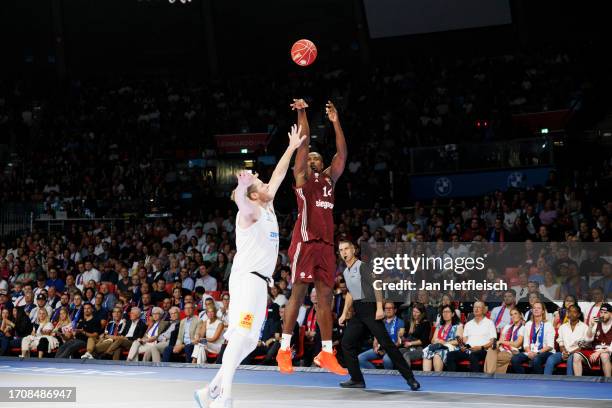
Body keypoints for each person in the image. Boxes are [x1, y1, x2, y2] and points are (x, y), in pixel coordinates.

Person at [194, 123, 305, 408]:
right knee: (242, 334)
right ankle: (225, 397)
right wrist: (242, 189)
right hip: (246, 281)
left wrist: (291, 148)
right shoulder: (251, 212)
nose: (267, 183)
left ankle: (211, 390)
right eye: (260, 183)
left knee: (250, 341)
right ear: (255, 194)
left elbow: (280, 173)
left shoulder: (265, 205)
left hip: (260, 283)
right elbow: (242, 206)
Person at [277, 100, 349, 377]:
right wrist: (302, 112)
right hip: (305, 243)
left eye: (316, 157)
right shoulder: (301, 178)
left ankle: (327, 352)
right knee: (299, 292)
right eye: (309, 158)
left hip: (326, 246)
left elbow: (342, 154)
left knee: (326, 298)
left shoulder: (329, 180)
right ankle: (285, 348)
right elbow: (303, 144)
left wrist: (335, 121)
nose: (312, 159)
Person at [337, 240, 420, 390]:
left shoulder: (362, 266)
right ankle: (357, 379)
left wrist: (379, 308)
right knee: (346, 343)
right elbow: (349, 294)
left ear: (353, 250)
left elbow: (377, 285)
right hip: (358, 311)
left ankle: (410, 378)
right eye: (341, 250)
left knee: (387, 345)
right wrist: (344, 314)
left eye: (346, 249)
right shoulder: (345, 272)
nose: (344, 252)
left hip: (370, 309)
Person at [446, 301, 497, 372]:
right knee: (451, 355)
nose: (476, 309)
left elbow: (493, 341)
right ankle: (453, 378)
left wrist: (481, 347)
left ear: (484, 309)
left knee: (473, 355)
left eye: (479, 307)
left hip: (483, 350)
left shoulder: (490, 323)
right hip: (469, 349)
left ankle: (475, 379)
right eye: (475, 307)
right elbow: (465, 340)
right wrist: (464, 347)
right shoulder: (468, 324)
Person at [357, 301, 405, 370]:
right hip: (380, 349)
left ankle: (388, 376)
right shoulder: (380, 322)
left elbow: (399, 342)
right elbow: (376, 338)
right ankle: (376, 373)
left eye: (390, 308)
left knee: (387, 360)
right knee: (360, 358)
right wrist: (376, 347)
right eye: (386, 308)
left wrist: (386, 349)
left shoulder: (400, 322)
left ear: (395, 310)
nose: (388, 310)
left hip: (393, 349)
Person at [510, 301, 554, 374]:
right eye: (534, 308)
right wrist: (530, 352)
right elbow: (526, 344)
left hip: (545, 352)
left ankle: (539, 380)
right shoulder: (528, 324)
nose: (536, 310)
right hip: (530, 351)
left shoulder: (548, 325)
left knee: (536, 359)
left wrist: (537, 353)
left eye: (539, 308)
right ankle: (523, 378)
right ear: (532, 310)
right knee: (515, 359)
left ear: (543, 311)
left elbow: (550, 346)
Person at [544, 304, 587, 375]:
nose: (571, 314)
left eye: (574, 312)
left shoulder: (584, 327)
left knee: (570, 359)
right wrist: (564, 352)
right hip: (564, 352)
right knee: (550, 359)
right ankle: (545, 381)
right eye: (570, 311)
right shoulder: (562, 327)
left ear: (579, 314)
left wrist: (569, 353)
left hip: (576, 353)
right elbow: (561, 343)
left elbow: (582, 347)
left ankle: (570, 383)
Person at [573, 303, 611, 377]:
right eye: (601, 312)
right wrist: (590, 326)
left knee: (604, 356)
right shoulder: (597, 323)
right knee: (576, 355)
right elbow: (588, 339)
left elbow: (611, 348)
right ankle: (578, 382)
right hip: (594, 351)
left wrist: (599, 352)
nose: (602, 315)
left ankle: (608, 382)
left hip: (607, 352)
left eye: (605, 313)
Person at [423, 304, 463, 372]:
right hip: (439, 346)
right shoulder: (439, 326)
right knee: (427, 351)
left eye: (448, 312)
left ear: (453, 314)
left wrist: (445, 342)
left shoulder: (458, 325)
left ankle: (438, 378)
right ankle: (426, 375)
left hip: (452, 348)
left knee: (437, 355)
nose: (445, 314)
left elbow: (458, 341)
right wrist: (437, 341)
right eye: (444, 312)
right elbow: (432, 340)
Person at [484, 307, 525, 374]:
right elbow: (500, 341)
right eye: (511, 315)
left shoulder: (523, 328)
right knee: (491, 350)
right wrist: (497, 345)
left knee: (492, 357)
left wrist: (501, 342)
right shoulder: (507, 326)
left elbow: (516, 344)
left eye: (515, 314)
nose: (513, 316)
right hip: (502, 348)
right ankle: (490, 373)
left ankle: (488, 374)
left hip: (512, 351)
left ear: (520, 315)